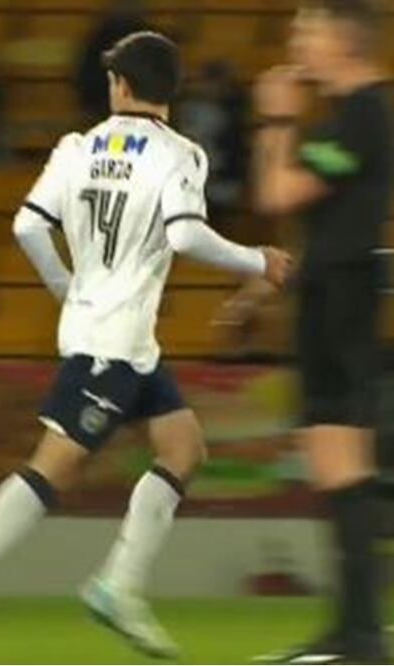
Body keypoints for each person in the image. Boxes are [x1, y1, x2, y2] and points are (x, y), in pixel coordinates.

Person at [0, 31, 292, 662]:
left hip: (121, 339)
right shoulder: (181, 155)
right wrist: (259, 261)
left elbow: (27, 224)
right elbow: (188, 236)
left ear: (120, 85)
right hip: (112, 343)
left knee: (183, 447)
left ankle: (119, 585)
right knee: (55, 463)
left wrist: (69, 287)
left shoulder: (77, 147)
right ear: (173, 90)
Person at [249, 1, 390, 662]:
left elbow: (275, 194)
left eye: (307, 30)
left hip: (340, 303)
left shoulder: (363, 116)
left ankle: (357, 634)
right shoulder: (347, 119)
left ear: (342, 41)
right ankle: (353, 629)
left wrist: (275, 114)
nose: (295, 41)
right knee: (337, 469)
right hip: (333, 295)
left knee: (343, 468)